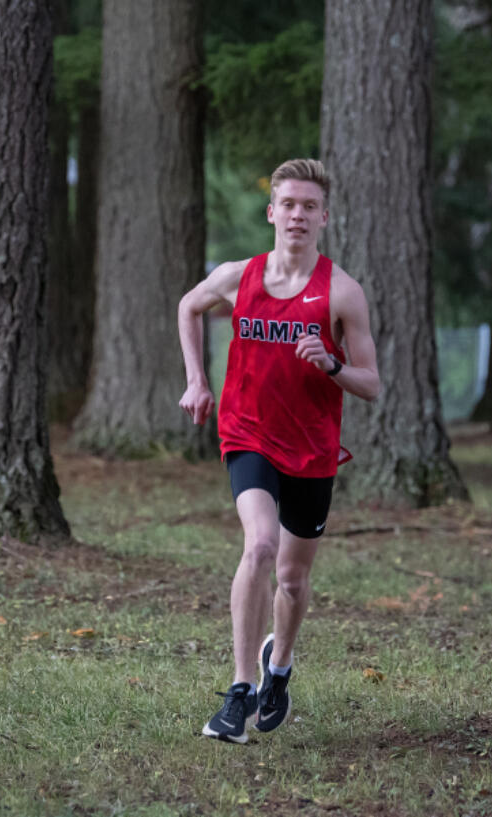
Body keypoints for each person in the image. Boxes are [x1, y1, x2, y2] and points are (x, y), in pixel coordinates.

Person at [177, 159, 380, 744]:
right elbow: (190, 306)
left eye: (308, 206)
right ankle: (239, 692)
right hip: (248, 435)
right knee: (260, 544)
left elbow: (372, 384)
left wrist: (334, 363)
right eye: (287, 204)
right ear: (272, 212)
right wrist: (197, 381)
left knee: (291, 581)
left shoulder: (341, 292)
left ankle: (278, 669)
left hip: (313, 450)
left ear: (324, 217)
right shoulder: (239, 276)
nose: (297, 215)